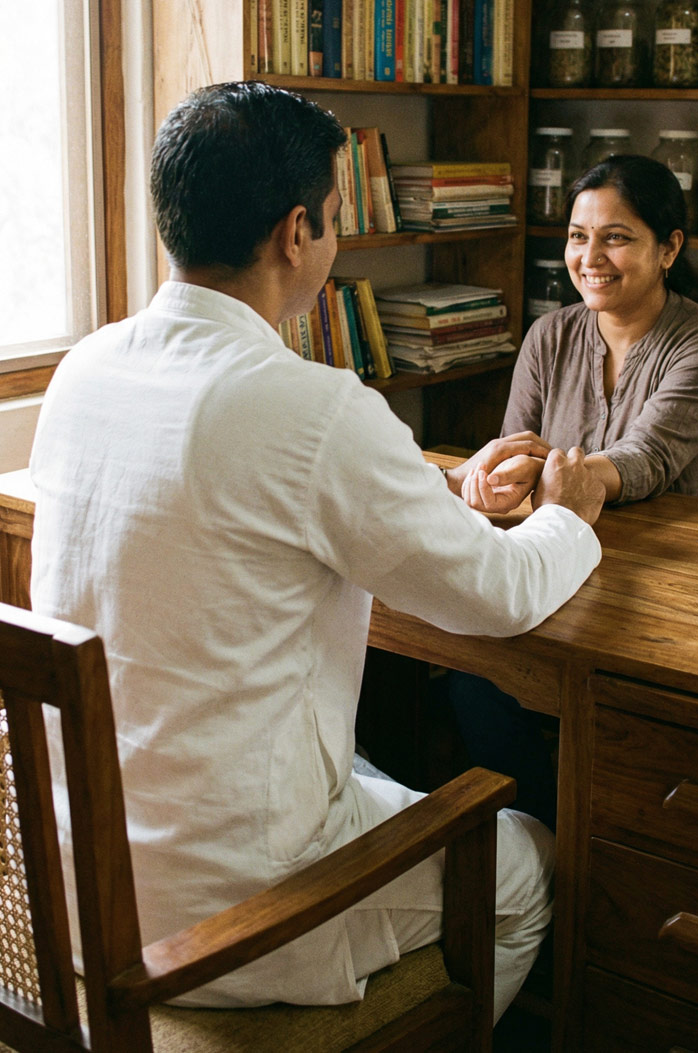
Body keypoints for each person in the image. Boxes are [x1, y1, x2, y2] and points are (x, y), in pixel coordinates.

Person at [29, 81, 606, 1023]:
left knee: (380, 766)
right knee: (527, 859)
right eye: (337, 220)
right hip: (230, 918)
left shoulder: (85, 369)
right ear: (297, 232)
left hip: (81, 882)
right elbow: (501, 591)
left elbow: (249, 500)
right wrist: (570, 514)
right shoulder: (310, 403)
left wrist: (450, 491)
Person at [440, 155, 698, 826]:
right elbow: (514, 452)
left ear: (669, 248)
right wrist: (498, 477)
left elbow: (645, 459)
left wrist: (555, 473)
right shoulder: (549, 335)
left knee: (624, 712)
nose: (590, 256)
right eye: (579, 236)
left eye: (616, 237)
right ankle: (546, 838)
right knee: (469, 668)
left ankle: (597, 843)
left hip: (689, 590)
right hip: (569, 567)